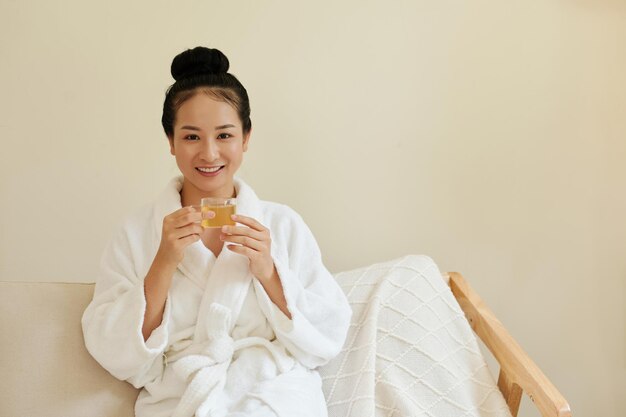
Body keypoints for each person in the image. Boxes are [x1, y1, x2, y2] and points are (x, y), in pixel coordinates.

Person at [81, 46, 352, 417]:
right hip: (184, 398)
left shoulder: (283, 224)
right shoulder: (136, 231)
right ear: (171, 141)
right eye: (192, 137)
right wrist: (163, 262)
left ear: (246, 137)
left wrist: (268, 272)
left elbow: (327, 335)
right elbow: (113, 351)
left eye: (224, 136)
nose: (209, 154)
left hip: (272, 396)